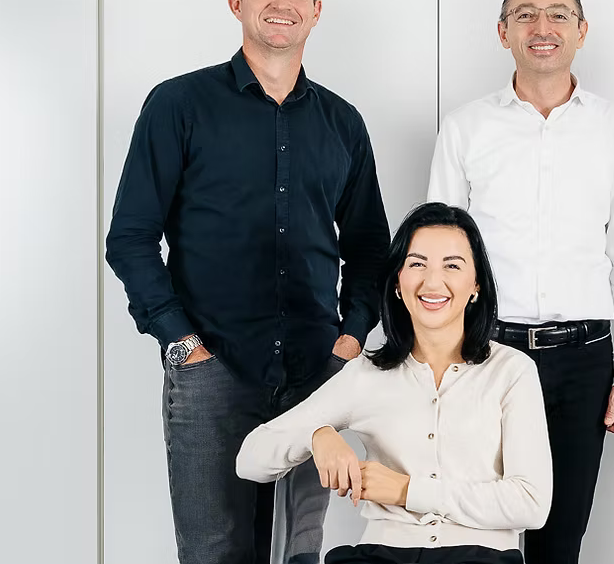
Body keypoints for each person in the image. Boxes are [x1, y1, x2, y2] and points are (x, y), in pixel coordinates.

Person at [105, 0, 390, 564]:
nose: (281, 3)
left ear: (316, 11)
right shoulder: (178, 105)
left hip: (317, 374)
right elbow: (129, 237)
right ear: (237, 3)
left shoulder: (343, 123)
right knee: (215, 552)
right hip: (211, 370)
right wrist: (181, 343)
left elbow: (371, 245)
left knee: (300, 550)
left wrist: (350, 338)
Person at [427, 0, 614, 563]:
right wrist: (438, 363)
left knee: (559, 543)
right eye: (524, 15)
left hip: (584, 361)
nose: (542, 27)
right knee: (478, 539)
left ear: (582, 29)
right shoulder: (465, 128)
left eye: (558, 14)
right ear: (502, 31)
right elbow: (438, 263)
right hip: (485, 355)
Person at [237, 202, 553, 564]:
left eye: (452, 265)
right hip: (382, 553)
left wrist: (408, 491)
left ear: (476, 284)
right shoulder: (366, 374)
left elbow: (531, 504)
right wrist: (317, 436)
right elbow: (249, 459)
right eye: (417, 264)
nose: (432, 281)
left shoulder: (511, 370)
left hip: (483, 555)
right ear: (398, 283)